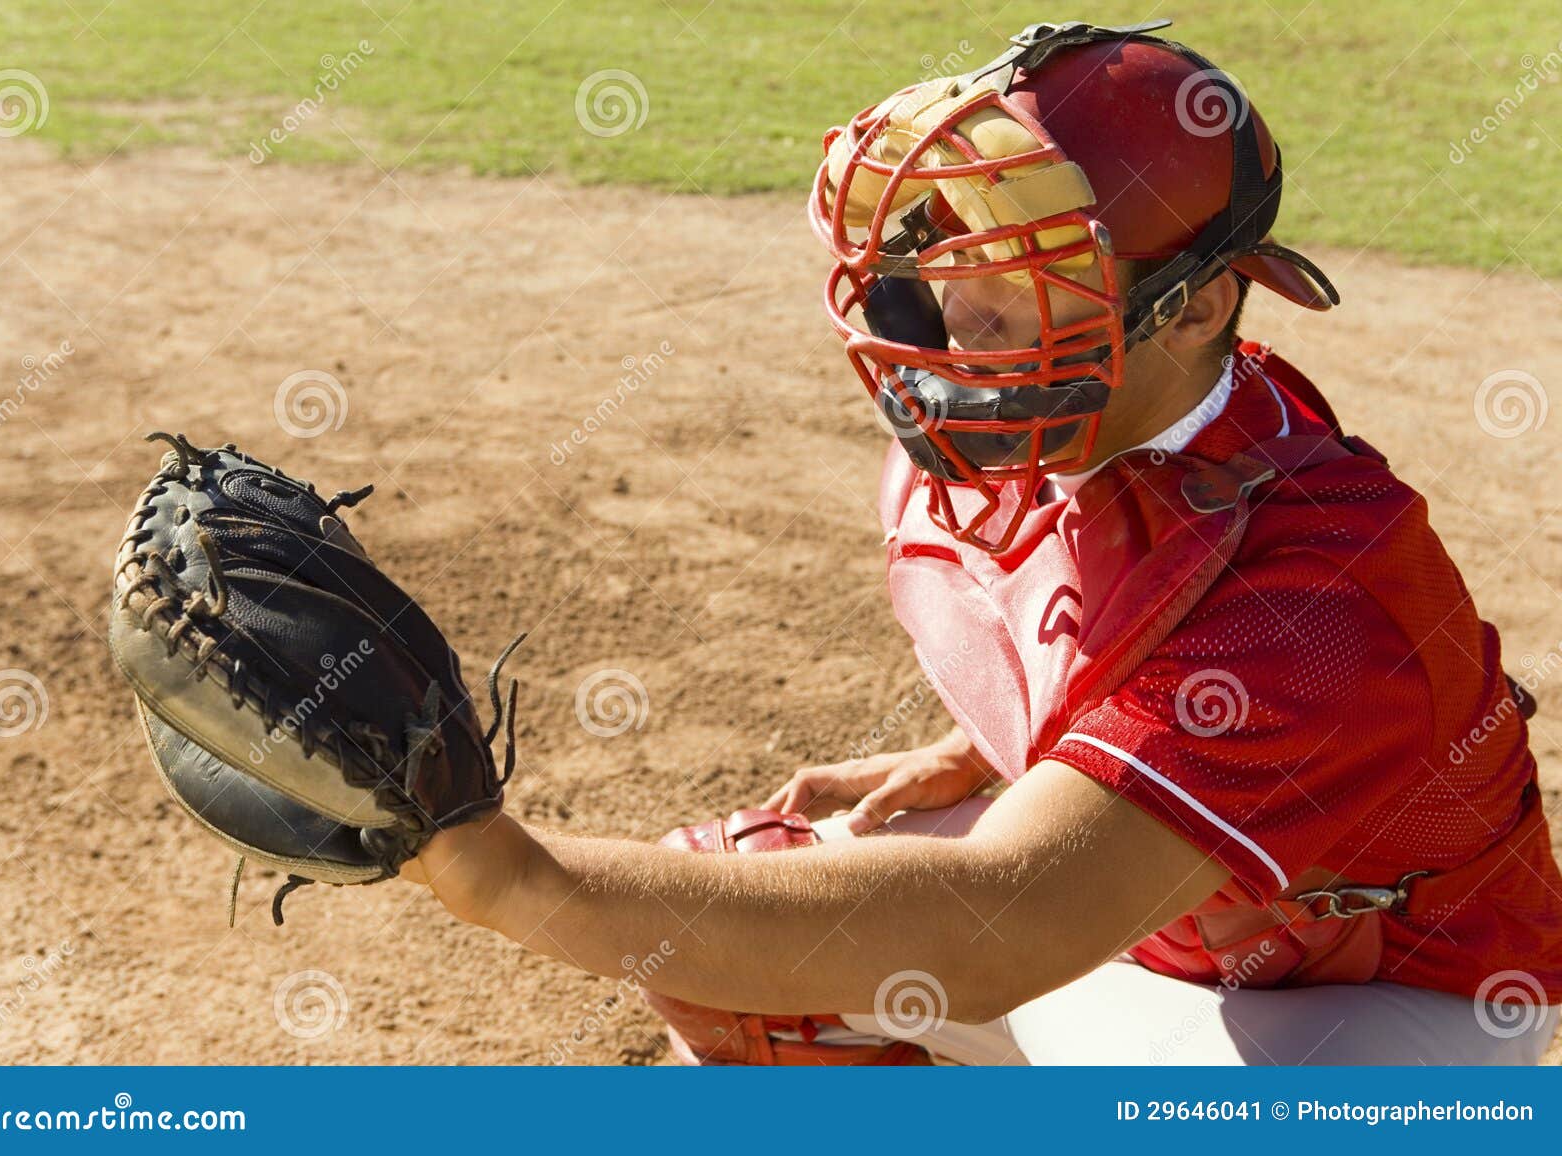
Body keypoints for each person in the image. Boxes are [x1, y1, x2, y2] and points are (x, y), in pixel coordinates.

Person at [402, 20, 1562, 1064]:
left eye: (1025, 270)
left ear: (1195, 308)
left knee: (871, 940)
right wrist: (1006, 742)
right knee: (749, 944)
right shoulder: (1046, 429)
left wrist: (509, 875)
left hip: (1388, 1016)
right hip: (1191, 928)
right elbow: (1114, 591)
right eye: (948, 243)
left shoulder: (1308, 603)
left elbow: (990, 924)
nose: (953, 309)